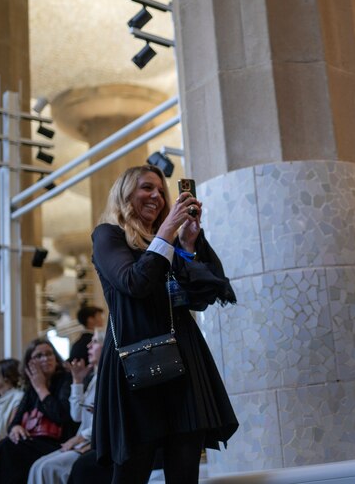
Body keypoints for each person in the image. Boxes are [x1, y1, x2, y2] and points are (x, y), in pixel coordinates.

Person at [91, 164, 238, 484]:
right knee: (131, 472)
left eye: (161, 191)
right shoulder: (108, 235)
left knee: (184, 470)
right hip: (135, 362)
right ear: (125, 193)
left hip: (183, 361)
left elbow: (200, 297)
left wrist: (187, 245)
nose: (157, 196)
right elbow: (134, 283)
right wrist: (167, 232)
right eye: (147, 187)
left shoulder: (171, 239)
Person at [0, 339, 75, 484]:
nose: (46, 359)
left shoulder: (65, 379)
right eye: (39, 356)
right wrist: (16, 427)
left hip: (58, 442)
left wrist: (41, 388)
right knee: (8, 448)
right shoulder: (31, 388)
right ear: (30, 363)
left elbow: (62, 416)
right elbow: (14, 422)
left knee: (6, 448)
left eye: (49, 354)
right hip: (33, 441)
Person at [27, 330, 107, 484]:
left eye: (95, 341)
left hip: (92, 443)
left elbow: (106, 419)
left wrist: (80, 437)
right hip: (82, 441)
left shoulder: (108, 377)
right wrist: (77, 381)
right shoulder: (94, 378)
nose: (89, 346)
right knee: (37, 466)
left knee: (46, 468)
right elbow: (77, 415)